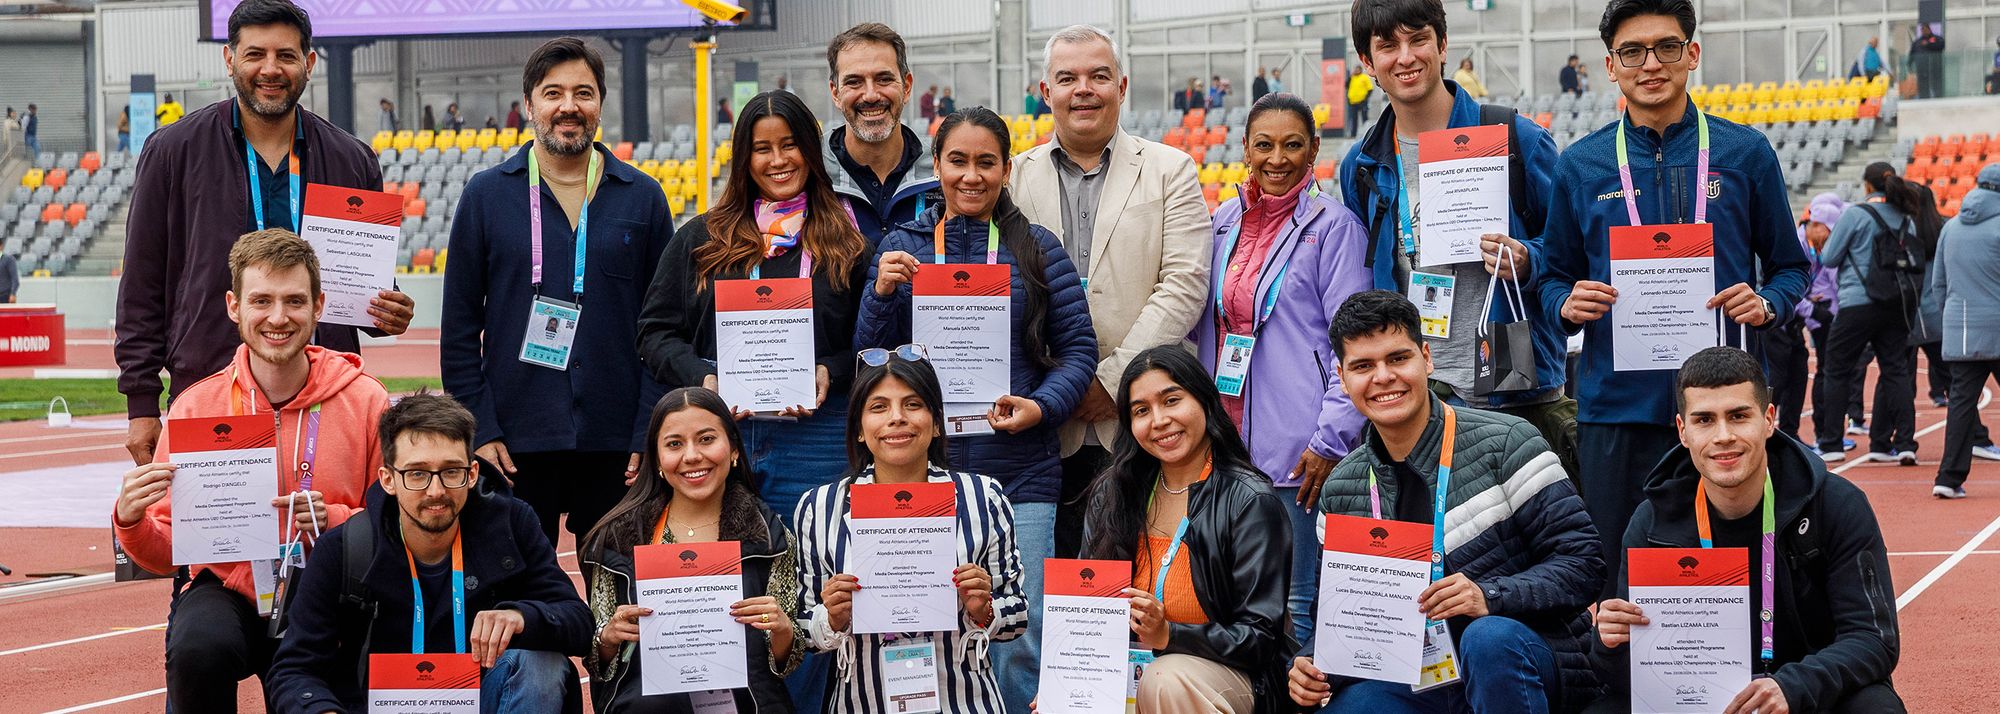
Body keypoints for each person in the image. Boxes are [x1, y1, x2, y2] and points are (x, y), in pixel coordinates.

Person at [1537, 0, 1809, 587]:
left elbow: (1791, 267)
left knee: (1734, 573)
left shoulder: (1744, 153)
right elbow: (1552, 276)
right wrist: (1563, 303)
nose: (1650, 63)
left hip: (1722, 411)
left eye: (1665, 47)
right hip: (1618, 412)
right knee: (1624, 579)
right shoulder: (1581, 165)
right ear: (1611, 66)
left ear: (1692, 54)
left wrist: (1766, 305)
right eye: (1632, 51)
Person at [853, 106, 1098, 712]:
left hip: (1020, 472)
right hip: (920, 476)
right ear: (935, 167)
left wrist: (1041, 409)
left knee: (1017, 630)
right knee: (921, 627)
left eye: (986, 162)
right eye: (957, 161)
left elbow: (1078, 353)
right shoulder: (902, 248)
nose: (971, 175)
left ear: (1006, 169)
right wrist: (881, 291)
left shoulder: (1038, 251)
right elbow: (868, 355)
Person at [117, 0, 415, 467]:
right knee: (221, 536)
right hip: (208, 384)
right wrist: (141, 403)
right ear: (230, 59)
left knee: (323, 530)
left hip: (325, 392)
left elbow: (360, 290)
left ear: (309, 63)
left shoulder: (353, 160)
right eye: (255, 54)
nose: (270, 69)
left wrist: (384, 310)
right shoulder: (172, 151)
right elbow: (141, 285)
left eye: (286, 56)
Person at [113, 229, 392, 711]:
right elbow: (164, 555)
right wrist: (131, 522)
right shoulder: (195, 406)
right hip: (229, 587)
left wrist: (339, 523)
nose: (278, 318)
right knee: (198, 649)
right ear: (233, 306)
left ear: (319, 305)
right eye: (261, 300)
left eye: (294, 301)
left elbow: (395, 525)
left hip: (332, 589)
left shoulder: (367, 400)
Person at [1288, 290, 1604, 713]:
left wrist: (1489, 595)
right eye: (1363, 366)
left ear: (1427, 358)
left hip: (1529, 655)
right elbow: (1337, 615)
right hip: (1416, 673)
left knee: (1487, 639)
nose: (1383, 377)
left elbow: (1583, 564)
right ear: (1343, 381)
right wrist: (1310, 662)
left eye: (1397, 359)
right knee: (1356, 704)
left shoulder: (1508, 441)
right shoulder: (1343, 487)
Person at [1339, 0, 1582, 485]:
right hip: (1416, 401)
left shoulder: (1516, 138)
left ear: (1443, 44)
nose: (1405, 57)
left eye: (1419, 39)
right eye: (1388, 45)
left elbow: (1575, 252)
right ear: (1368, 63)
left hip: (1514, 395)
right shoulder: (1361, 166)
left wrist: (1528, 259)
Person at [442, 36, 670, 545]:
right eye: (553, 93)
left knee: (621, 597)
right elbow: (458, 328)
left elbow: (665, 328)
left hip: (618, 446)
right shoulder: (485, 196)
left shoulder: (644, 197)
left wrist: (648, 431)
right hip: (515, 443)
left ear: (600, 104)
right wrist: (479, 426)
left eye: (583, 93)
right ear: (529, 105)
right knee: (518, 597)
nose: (569, 107)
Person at [1588, 347, 1904, 714]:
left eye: (1738, 416)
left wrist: (1791, 686)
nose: (1723, 436)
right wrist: (1609, 644)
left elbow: (1873, 639)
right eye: (1704, 420)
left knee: (1875, 707)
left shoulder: (1835, 505)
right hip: (1702, 699)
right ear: (1683, 431)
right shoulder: (1653, 521)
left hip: (1806, 695)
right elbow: (1626, 678)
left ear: (1768, 420)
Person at [1010, 24, 1211, 563]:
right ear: (1045, 92)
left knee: (1137, 578)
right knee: (1048, 585)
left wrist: (1112, 381)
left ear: (1121, 86)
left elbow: (1184, 284)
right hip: (1043, 424)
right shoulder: (1012, 178)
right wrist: (1063, 387)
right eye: (1068, 78)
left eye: (1099, 76)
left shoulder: (1171, 170)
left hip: (1141, 417)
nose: (1084, 89)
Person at [264, 394, 592, 713]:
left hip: (485, 701)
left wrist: (522, 616)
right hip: (376, 706)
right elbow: (293, 669)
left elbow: (578, 622)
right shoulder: (345, 547)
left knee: (541, 664)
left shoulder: (511, 526)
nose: (436, 491)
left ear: (473, 473)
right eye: (417, 473)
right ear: (388, 479)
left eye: (451, 471)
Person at [638, 89, 870, 518]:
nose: (778, 160)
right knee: (731, 575)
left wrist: (830, 371)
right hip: (719, 435)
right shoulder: (701, 239)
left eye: (790, 145)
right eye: (762, 149)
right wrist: (701, 379)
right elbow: (654, 332)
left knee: (815, 568)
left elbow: (873, 341)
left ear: (810, 151)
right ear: (744, 157)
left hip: (816, 440)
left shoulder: (848, 243)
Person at [1195, 92, 1371, 645]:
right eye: (1264, 145)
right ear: (1244, 149)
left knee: (1294, 602)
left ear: (1314, 149)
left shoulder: (1335, 228)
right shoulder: (1223, 221)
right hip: (1225, 445)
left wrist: (1331, 438)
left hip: (1299, 449)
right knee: (1230, 597)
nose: (1278, 158)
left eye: (1293, 145)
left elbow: (1354, 344)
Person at [793, 352, 1028, 714]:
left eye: (913, 404)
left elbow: (1018, 614)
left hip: (964, 702)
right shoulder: (819, 507)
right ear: (858, 428)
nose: (897, 418)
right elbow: (804, 630)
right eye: (879, 407)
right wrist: (832, 617)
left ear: (936, 423)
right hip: (862, 703)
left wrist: (984, 610)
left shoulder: (983, 496)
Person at [1080, 345, 1293, 714]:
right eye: (1141, 411)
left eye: (1172, 400)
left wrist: (1170, 636)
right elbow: (1085, 610)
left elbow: (1261, 638)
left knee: (1167, 679)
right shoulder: (1113, 493)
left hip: (1231, 678)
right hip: (1126, 674)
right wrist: (1067, 683)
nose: (1159, 420)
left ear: (1205, 402)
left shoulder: (1250, 500)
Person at [580, 387, 803, 711]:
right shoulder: (616, 539)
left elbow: (785, 663)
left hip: (744, 702)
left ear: (735, 450)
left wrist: (782, 630)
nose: (692, 456)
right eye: (674, 444)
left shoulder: (769, 536)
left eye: (706, 439)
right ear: (657, 460)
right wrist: (608, 637)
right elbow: (598, 664)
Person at [1814, 162, 1929, 466]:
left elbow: (1829, 257)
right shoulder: (1908, 219)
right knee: (1896, 372)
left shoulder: (1855, 214)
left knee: (1837, 369)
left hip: (1857, 303)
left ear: (1867, 186)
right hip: (1895, 305)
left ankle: (1831, 442)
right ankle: (1902, 443)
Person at [820, 23, 942, 245]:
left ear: (906, 87)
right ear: (835, 93)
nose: (870, 95)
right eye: (854, 82)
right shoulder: (811, 173)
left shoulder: (943, 171)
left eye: (884, 79)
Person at [1932, 163, 2000, 498]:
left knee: (1960, 405)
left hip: (1961, 331)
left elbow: (1938, 285)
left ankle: (1948, 478)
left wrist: (1954, 318)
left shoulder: (1952, 226)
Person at [1770, 195, 1844, 444]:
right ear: (1816, 225)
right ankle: (1765, 435)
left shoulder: (1815, 248)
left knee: (1799, 373)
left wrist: (1812, 300)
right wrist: (1812, 310)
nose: (1829, 239)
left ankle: (1789, 434)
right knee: (1777, 378)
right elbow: (1784, 284)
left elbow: (1807, 286)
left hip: (1794, 319)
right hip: (1776, 320)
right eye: (1828, 232)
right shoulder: (1796, 244)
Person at [1911, 23, 1945, 100]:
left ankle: (1938, 98)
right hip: (1922, 69)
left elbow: (1941, 46)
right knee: (1923, 86)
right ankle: (1924, 98)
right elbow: (1912, 53)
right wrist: (1910, 64)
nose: (1924, 31)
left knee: (1936, 85)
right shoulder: (1917, 42)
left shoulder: (1937, 39)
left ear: (1929, 29)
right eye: (1922, 29)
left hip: (1935, 68)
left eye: (1925, 29)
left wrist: (1928, 44)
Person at [1345, 68, 1373, 138]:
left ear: (1360, 70)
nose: (1356, 71)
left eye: (1357, 70)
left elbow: (1370, 89)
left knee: (1364, 118)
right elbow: (1346, 86)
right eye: (1355, 70)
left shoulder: (1364, 77)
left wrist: (1365, 99)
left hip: (1362, 102)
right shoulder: (1352, 78)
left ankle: (1367, 134)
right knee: (1353, 119)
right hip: (1352, 102)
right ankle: (1353, 134)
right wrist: (1350, 77)